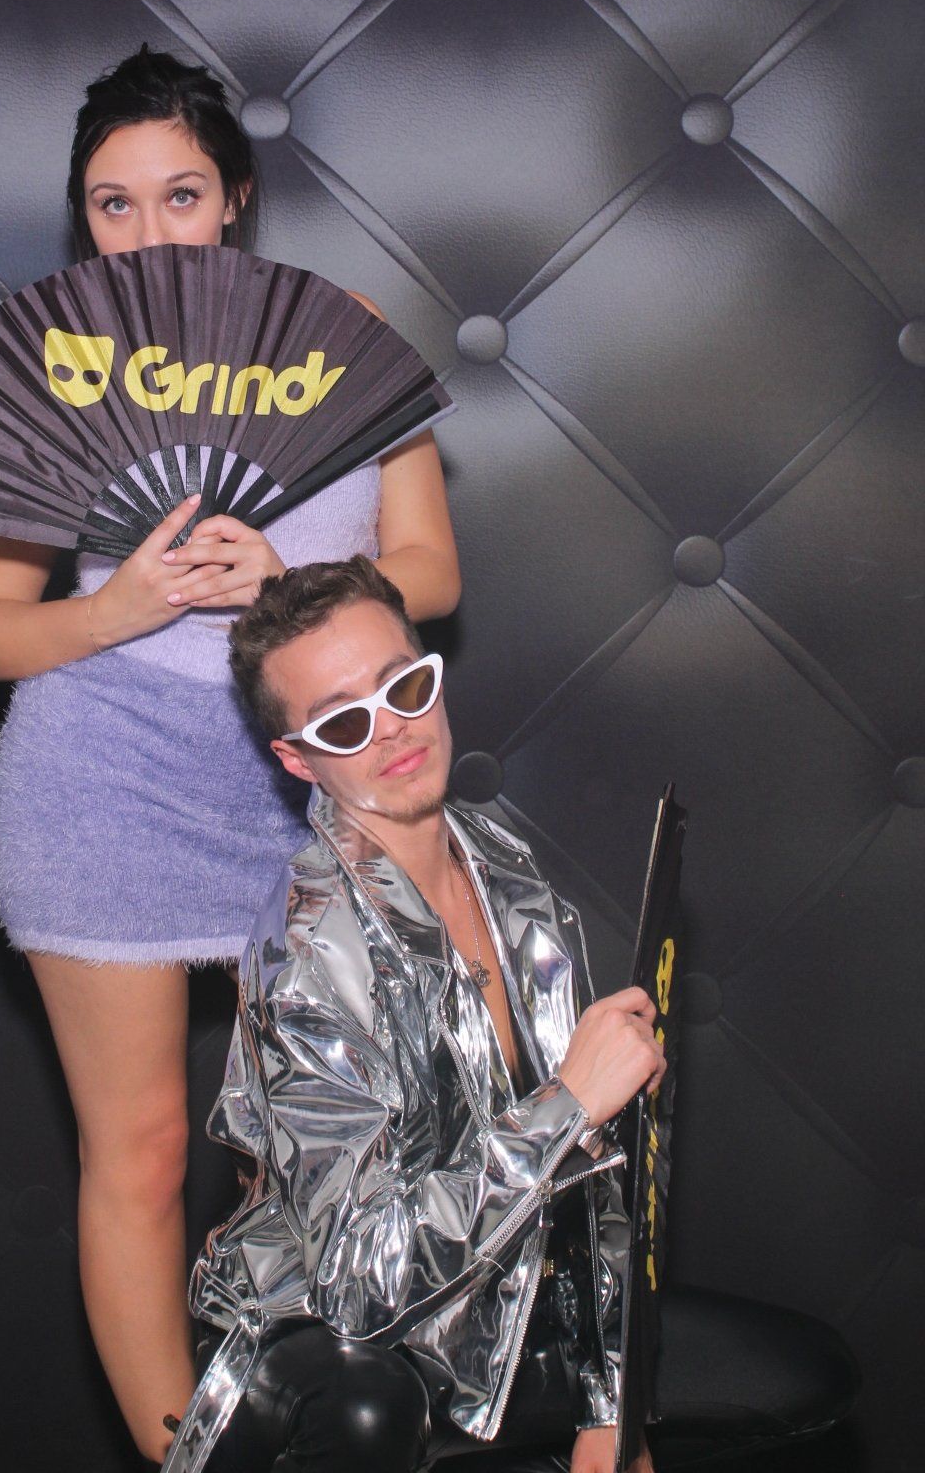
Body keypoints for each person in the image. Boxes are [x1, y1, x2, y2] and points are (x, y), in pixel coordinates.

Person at [0, 47, 461, 1464]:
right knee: (144, 1151)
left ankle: (311, 1424)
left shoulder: (344, 333)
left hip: (304, 773)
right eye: (113, 204)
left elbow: (431, 571)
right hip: (100, 774)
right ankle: (190, 1462)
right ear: (83, 219)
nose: (149, 229)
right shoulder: (55, 370)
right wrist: (116, 606)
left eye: (180, 193)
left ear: (234, 198)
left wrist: (284, 578)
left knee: (316, 1142)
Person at [160, 556, 859, 1473]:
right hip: (331, 1347)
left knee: (806, 1372)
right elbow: (359, 1279)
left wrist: (613, 1403)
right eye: (343, 721)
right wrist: (566, 1105)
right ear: (298, 759)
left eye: (404, 686)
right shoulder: (308, 954)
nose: (391, 728)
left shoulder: (501, 866)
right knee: (365, 1408)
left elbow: (605, 1166)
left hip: (506, 1297)